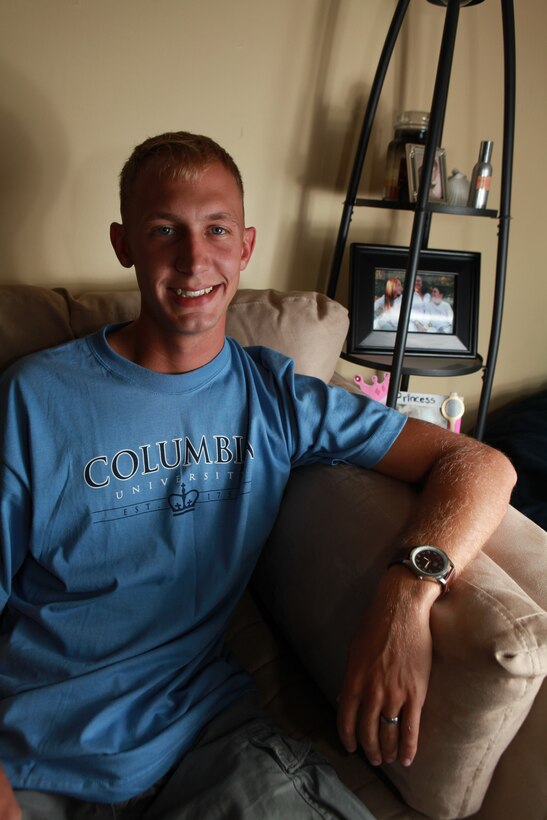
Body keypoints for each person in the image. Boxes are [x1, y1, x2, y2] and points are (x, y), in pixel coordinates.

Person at [0, 131, 516, 820]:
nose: (194, 259)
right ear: (125, 245)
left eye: (215, 229)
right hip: (34, 759)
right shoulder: (33, 400)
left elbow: (478, 464)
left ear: (244, 246)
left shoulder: (277, 398)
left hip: (206, 743)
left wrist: (406, 594)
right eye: (164, 230)